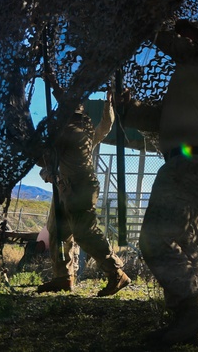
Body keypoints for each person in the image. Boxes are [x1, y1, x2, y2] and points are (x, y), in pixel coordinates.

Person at [119, 18, 198, 347]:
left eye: (185, 32)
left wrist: (145, 21)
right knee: (181, 243)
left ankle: (192, 309)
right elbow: (151, 118)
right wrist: (124, 107)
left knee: (155, 240)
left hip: (188, 163)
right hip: (190, 163)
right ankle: (186, 322)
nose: (180, 35)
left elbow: (174, 44)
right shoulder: (188, 80)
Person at [35, 91, 131, 297]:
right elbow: (105, 126)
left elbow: (42, 159)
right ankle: (63, 277)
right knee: (58, 232)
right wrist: (108, 105)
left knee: (84, 232)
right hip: (65, 188)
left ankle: (116, 272)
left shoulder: (69, 131)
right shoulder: (84, 132)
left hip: (78, 188)